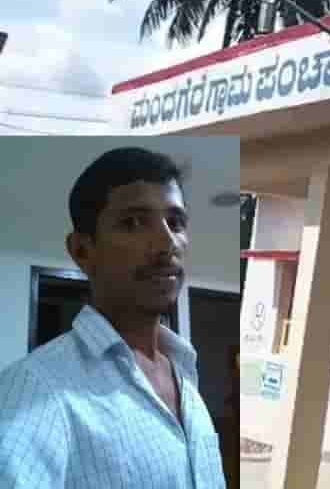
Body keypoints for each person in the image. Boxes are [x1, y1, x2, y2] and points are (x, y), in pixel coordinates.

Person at [0, 147, 227, 488]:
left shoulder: (186, 377)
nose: (167, 242)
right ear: (82, 250)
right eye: (133, 222)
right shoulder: (37, 388)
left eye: (176, 222)